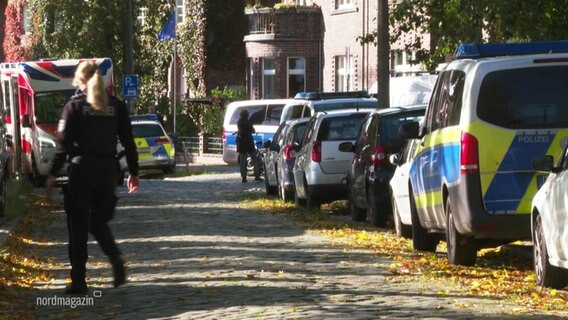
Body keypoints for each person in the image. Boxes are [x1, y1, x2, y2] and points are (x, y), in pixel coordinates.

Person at [45, 61, 140, 294]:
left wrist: (52, 173)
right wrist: (134, 172)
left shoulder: (74, 107)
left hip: (82, 170)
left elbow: (62, 145)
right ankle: (115, 258)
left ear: (80, 80)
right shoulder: (115, 106)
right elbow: (128, 141)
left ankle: (79, 281)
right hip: (108, 170)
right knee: (98, 222)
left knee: (77, 225)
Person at [236, 109, 260, 183]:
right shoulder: (248, 122)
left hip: (241, 143)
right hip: (249, 143)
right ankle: (257, 175)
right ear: (247, 115)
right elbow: (253, 131)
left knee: (242, 161)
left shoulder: (239, 122)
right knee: (254, 159)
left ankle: (243, 177)